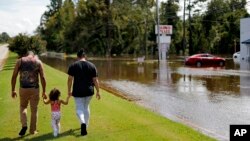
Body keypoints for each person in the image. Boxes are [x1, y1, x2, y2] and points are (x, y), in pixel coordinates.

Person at [11, 51, 46, 136]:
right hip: (35, 89)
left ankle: (24, 125)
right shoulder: (38, 62)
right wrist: (44, 91)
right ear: (33, 55)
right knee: (34, 110)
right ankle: (32, 130)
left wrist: (13, 90)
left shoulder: (20, 61)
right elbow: (43, 78)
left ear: (26, 55)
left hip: (23, 88)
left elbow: (14, 76)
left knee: (23, 107)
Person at [67, 49, 101, 136]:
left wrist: (69, 90)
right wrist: (98, 91)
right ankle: (86, 125)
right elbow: (95, 80)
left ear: (77, 56)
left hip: (78, 91)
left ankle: (83, 123)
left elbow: (70, 79)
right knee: (86, 107)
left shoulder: (73, 66)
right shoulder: (92, 65)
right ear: (85, 56)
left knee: (79, 108)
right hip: (89, 91)